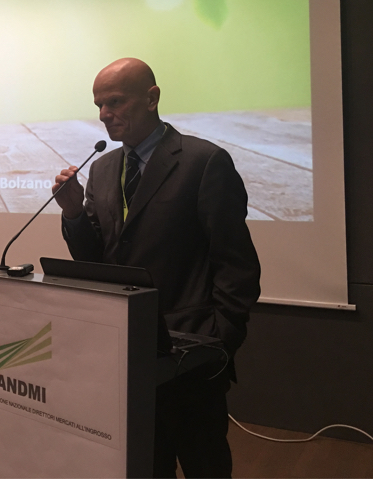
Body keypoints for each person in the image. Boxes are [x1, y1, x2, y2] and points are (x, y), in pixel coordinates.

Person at [53, 58, 261, 478]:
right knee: (144, 464)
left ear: (152, 99)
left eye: (115, 102)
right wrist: (73, 213)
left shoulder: (204, 162)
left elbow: (236, 265)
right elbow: (95, 262)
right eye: (98, 105)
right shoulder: (103, 168)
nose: (104, 114)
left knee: (205, 466)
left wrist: (220, 341)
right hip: (126, 349)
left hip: (192, 354)